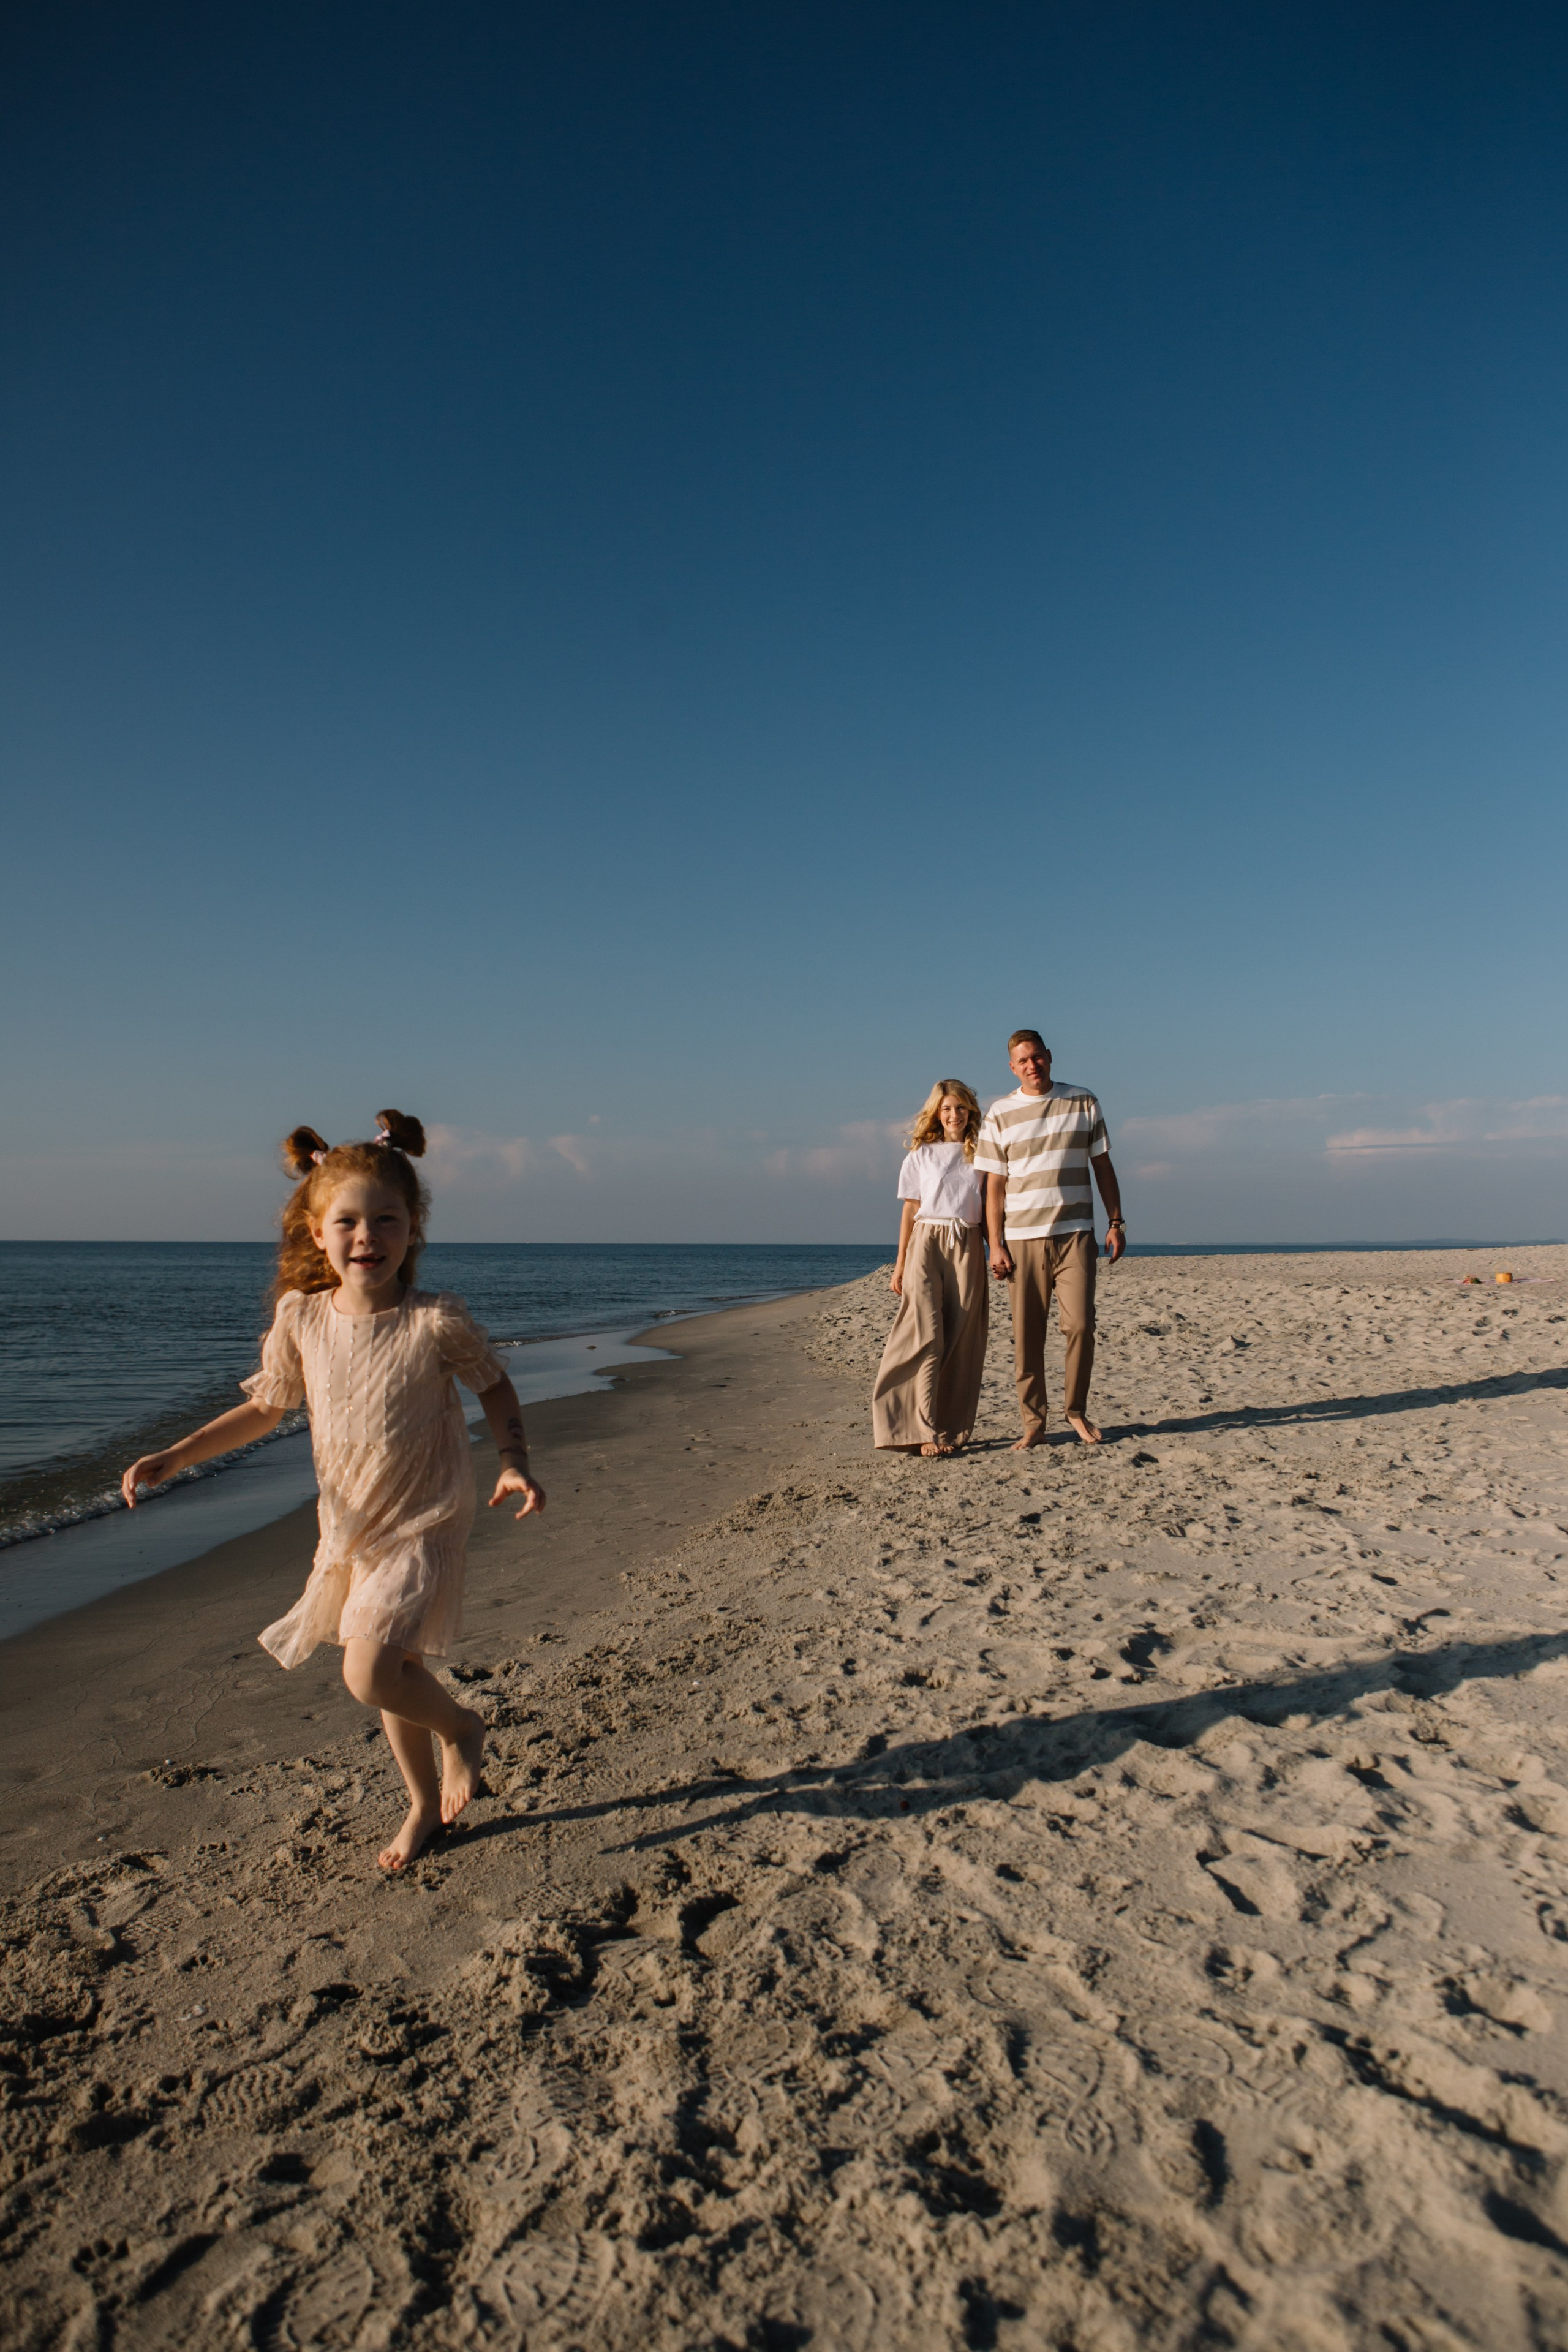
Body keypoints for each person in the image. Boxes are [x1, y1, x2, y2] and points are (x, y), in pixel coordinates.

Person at [121, 1111, 546, 1872]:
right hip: (351, 1526)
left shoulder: (433, 1323)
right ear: (317, 1234)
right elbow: (266, 1408)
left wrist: (513, 1459)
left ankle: (461, 1730)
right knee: (393, 1671)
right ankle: (421, 1803)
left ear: (412, 1230)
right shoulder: (301, 1320)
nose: (367, 1236)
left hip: (425, 1514)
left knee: (369, 1670)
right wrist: (180, 1452)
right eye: (347, 1221)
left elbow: (497, 1386)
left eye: (386, 1220)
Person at [973, 1031, 1125, 1450]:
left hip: (1076, 1234)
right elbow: (995, 1189)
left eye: (1037, 1057)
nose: (1032, 1065)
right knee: (1028, 1337)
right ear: (1012, 1067)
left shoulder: (1083, 1101)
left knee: (1080, 1326)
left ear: (1049, 1057)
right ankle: (1034, 1423)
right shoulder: (1000, 1113)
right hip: (1021, 1239)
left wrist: (1116, 1222)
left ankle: (1075, 1411)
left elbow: (1103, 1166)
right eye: (1023, 1061)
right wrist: (996, 1244)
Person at [872, 1080, 990, 1457]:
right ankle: (920, 1429)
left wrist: (997, 1250)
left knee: (961, 1337)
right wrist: (900, 1263)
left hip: (968, 1243)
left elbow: (991, 1208)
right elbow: (909, 1209)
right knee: (927, 1335)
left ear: (970, 1110)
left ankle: (948, 1428)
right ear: (937, 1114)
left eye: (960, 1108)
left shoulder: (985, 1154)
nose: (954, 1115)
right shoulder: (922, 1155)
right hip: (926, 1241)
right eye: (946, 1109)